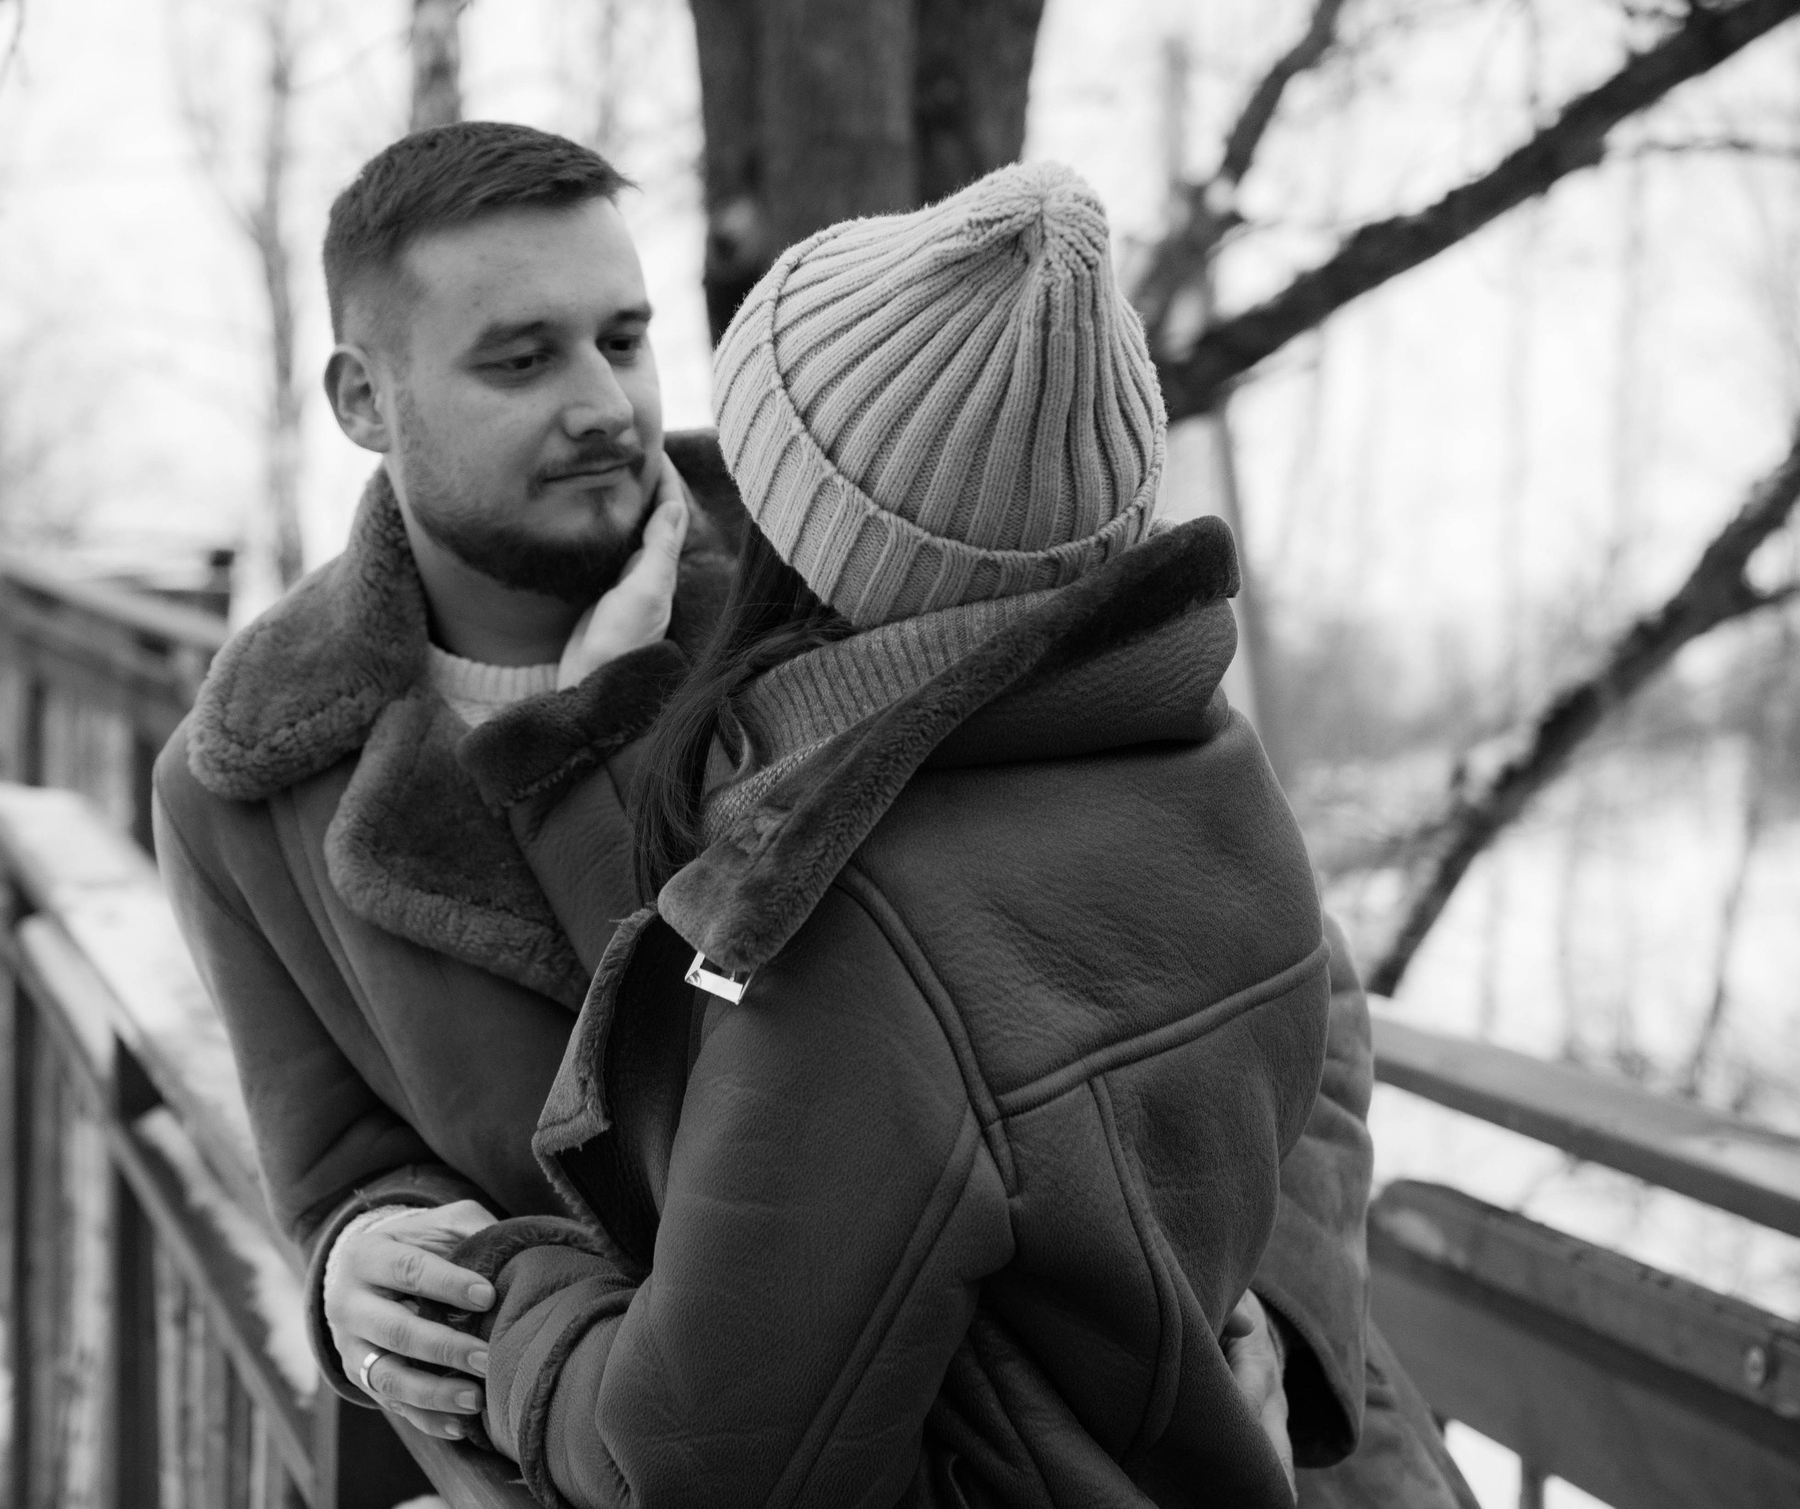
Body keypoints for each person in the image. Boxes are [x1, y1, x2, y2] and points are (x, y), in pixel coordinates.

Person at [153, 122, 1467, 1505]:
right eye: (521, 358)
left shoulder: (844, 573)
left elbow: (1288, 998)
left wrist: (1270, 1320)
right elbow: (345, 1164)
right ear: (363, 398)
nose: (604, 403)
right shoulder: (241, 783)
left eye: (623, 337)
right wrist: (357, 1256)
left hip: (1169, 1446)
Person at [441, 161, 1366, 1507]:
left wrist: (506, 1291)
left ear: (811, 541)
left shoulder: (862, 937)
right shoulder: (1202, 768)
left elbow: (689, 1463)